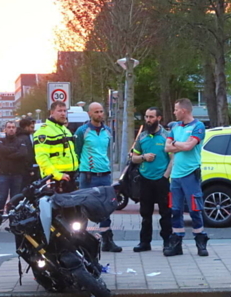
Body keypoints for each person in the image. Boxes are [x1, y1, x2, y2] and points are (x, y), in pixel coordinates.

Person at [74, 102, 121, 253]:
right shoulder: (82, 131)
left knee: (106, 209)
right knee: (83, 210)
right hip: (88, 175)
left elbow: (107, 152)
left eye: (101, 111)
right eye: (96, 112)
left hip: (105, 175)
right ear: (89, 114)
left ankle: (107, 240)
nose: (100, 114)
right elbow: (77, 151)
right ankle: (80, 241)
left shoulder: (108, 131)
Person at [164, 98, 209, 257]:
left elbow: (190, 146)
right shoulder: (175, 127)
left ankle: (201, 242)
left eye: (176, 109)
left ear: (183, 110)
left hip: (191, 174)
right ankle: (177, 243)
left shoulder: (198, 126)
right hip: (175, 176)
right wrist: (180, 145)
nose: (174, 112)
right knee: (175, 210)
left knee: (195, 209)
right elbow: (166, 147)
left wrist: (176, 144)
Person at [130, 107, 172, 253]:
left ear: (159, 118)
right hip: (145, 179)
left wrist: (165, 176)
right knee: (145, 213)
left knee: (165, 213)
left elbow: (173, 159)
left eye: (151, 117)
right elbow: (134, 158)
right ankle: (144, 242)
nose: (148, 120)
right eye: (147, 117)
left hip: (161, 180)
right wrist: (143, 157)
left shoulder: (167, 136)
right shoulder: (141, 137)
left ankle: (167, 242)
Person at [0, 121, 30, 232]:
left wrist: (7, 154)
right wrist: (14, 152)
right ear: (5, 129)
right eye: (9, 127)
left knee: (15, 199)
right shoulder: (1, 141)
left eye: (13, 127)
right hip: (4, 174)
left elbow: (23, 153)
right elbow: (0, 150)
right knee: (1, 198)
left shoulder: (21, 141)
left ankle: (14, 222)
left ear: (16, 129)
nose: (11, 129)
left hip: (17, 175)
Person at [33, 100, 79, 193]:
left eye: (64, 111)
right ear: (52, 112)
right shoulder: (44, 131)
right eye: (59, 111)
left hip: (69, 177)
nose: (63, 114)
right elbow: (42, 159)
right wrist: (57, 175)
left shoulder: (65, 130)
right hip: (55, 180)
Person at [16, 118, 39, 187]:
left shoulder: (21, 136)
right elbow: (27, 154)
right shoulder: (25, 138)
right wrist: (30, 169)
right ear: (26, 127)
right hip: (26, 170)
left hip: (23, 169)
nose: (33, 129)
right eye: (31, 127)